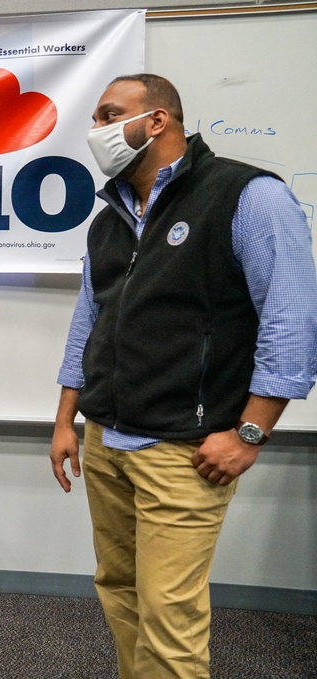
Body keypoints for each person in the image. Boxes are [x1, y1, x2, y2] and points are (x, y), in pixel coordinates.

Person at [50, 74, 317, 679]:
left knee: (170, 615)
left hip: (185, 451)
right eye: (95, 118)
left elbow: (294, 317)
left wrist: (249, 433)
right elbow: (87, 321)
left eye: (109, 115)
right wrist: (67, 418)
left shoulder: (244, 196)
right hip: (106, 440)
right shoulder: (110, 217)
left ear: (157, 122)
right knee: (118, 589)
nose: (97, 130)